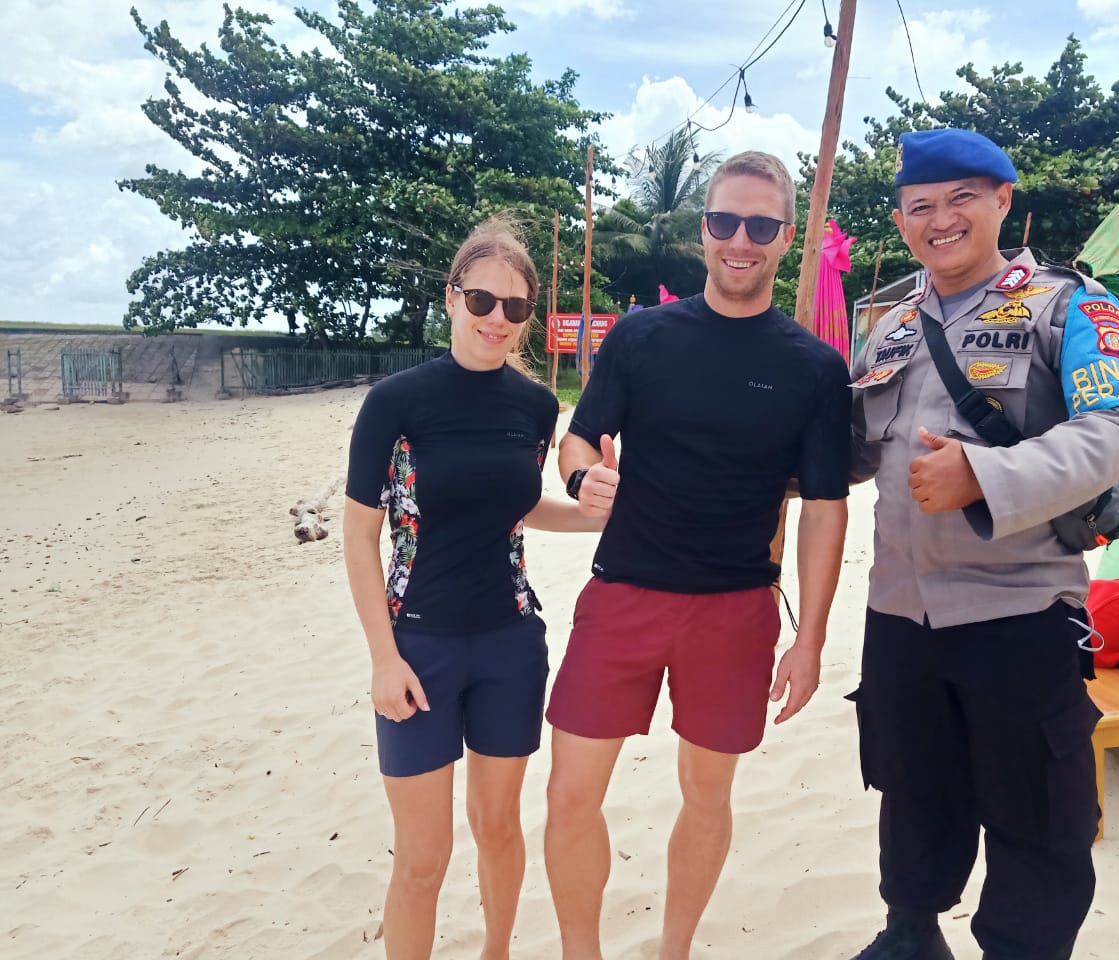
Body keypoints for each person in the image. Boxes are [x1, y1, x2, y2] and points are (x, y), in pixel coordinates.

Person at [847, 129, 1119, 960]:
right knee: (911, 787)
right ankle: (910, 932)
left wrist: (986, 476)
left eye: (961, 200)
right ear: (901, 220)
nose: (940, 220)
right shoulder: (889, 327)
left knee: (1036, 813)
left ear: (1002, 200)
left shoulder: (1069, 305)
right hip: (898, 614)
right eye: (920, 206)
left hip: (1020, 611)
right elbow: (845, 452)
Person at [543, 151, 852, 960]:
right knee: (570, 795)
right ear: (702, 229)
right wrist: (581, 478)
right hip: (624, 592)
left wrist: (811, 638)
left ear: (787, 235)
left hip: (736, 608)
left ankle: (673, 951)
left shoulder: (816, 368)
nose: (740, 240)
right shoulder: (641, 336)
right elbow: (578, 437)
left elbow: (826, 509)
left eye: (760, 225)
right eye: (724, 221)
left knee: (707, 797)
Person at [343, 215, 601, 960]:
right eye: (483, 300)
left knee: (497, 826)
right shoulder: (395, 403)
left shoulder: (535, 407)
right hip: (417, 647)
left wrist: (598, 516)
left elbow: (517, 506)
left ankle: (496, 951)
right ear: (453, 298)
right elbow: (360, 536)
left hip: (509, 644)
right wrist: (383, 658)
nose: (498, 318)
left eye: (516, 306)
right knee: (422, 857)